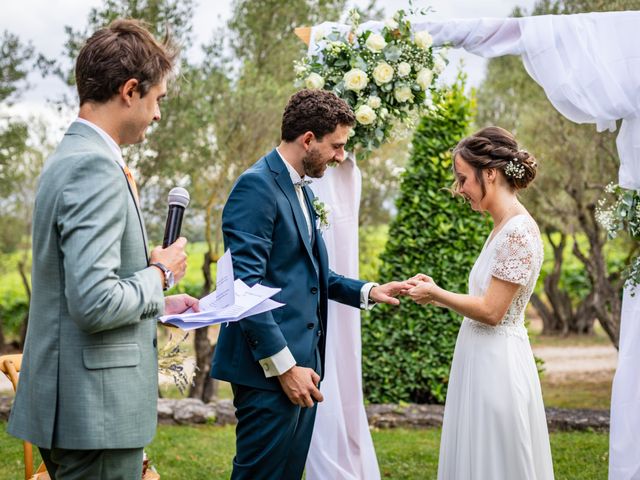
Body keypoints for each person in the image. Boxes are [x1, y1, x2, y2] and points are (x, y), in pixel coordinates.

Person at [8, 19, 199, 480]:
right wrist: (160, 274)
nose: (157, 115)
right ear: (130, 90)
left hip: (76, 409)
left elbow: (79, 289)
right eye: (157, 100)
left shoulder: (71, 156)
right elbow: (94, 303)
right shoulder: (94, 167)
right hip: (95, 415)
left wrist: (157, 304)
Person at [211, 89, 409, 480]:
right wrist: (285, 369)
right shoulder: (257, 187)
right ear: (307, 139)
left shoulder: (302, 189)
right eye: (336, 146)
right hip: (268, 371)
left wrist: (369, 291)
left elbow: (316, 276)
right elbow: (244, 288)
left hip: (305, 367)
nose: (340, 156)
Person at [408, 126, 555, 479]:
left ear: (490, 173)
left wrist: (438, 294)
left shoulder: (518, 232)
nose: (459, 189)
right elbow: (484, 301)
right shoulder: (501, 226)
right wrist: (439, 296)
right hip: (480, 359)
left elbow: (492, 311)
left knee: (495, 460)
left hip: (497, 367)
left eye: (463, 179)